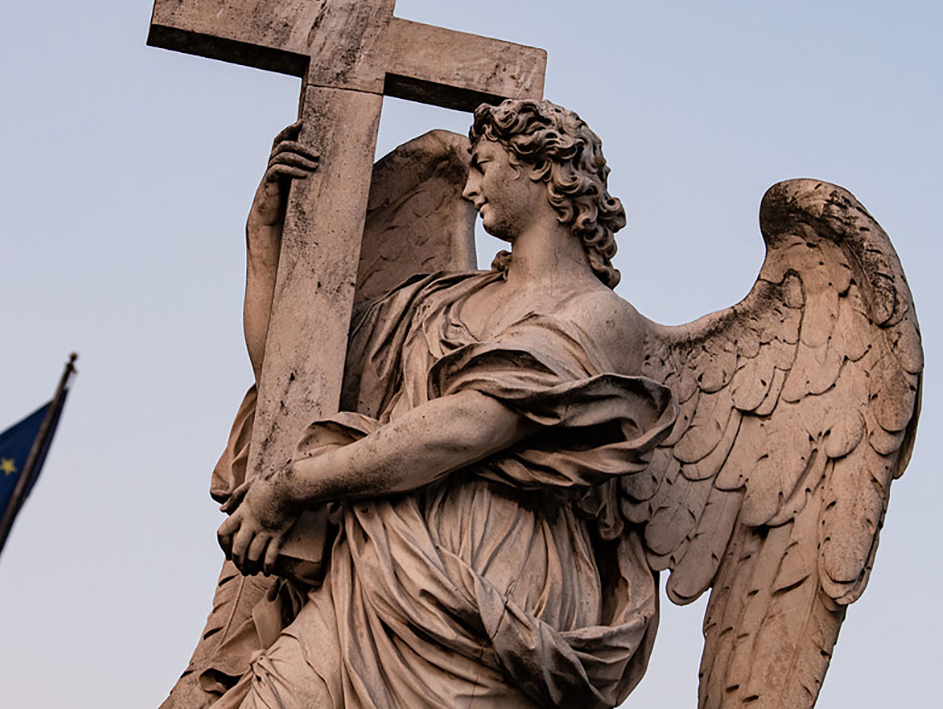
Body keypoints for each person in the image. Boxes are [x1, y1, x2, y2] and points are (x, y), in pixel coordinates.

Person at [213, 100, 677, 708]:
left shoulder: (600, 317)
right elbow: (292, 372)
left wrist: (293, 486)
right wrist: (265, 239)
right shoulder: (438, 303)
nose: (468, 185)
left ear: (540, 169)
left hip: (494, 592)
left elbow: (470, 425)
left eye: (483, 166)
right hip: (378, 562)